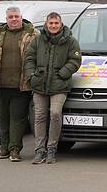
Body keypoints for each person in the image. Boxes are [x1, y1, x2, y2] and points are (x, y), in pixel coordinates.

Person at [0, 6, 38, 162]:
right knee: (3, 118)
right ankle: (4, 148)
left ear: (21, 17)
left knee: (17, 119)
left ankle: (15, 149)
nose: (14, 19)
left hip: (22, 86)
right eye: (10, 17)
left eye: (16, 16)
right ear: (6, 19)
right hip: (0, 85)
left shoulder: (32, 34)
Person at [24, 12, 81, 165]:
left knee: (55, 114)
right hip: (39, 85)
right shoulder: (37, 40)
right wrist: (32, 75)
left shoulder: (70, 41)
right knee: (40, 117)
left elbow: (75, 60)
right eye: (51, 23)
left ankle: (51, 148)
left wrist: (63, 73)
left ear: (60, 24)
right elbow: (29, 58)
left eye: (56, 23)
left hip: (59, 86)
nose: (54, 26)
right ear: (46, 24)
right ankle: (39, 150)